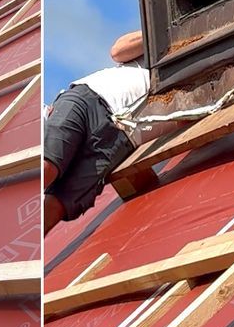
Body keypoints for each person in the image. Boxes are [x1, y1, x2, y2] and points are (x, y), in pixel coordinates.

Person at [42, 32, 152, 233]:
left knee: (58, 203)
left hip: (121, 137)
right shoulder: (152, 43)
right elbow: (117, 51)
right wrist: (166, 29)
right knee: (48, 165)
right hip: (92, 99)